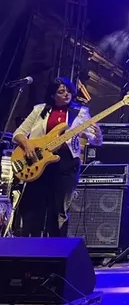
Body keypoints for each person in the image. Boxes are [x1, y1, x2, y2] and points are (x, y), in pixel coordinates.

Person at [12, 77, 103, 237]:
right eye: (61, 91)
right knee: (33, 208)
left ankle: (56, 246)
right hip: (38, 161)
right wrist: (27, 145)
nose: (66, 94)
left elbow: (95, 141)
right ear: (53, 95)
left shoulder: (80, 113)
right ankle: (30, 244)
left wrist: (98, 135)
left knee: (59, 210)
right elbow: (18, 134)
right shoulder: (39, 110)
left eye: (68, 91)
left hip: (66, 164)